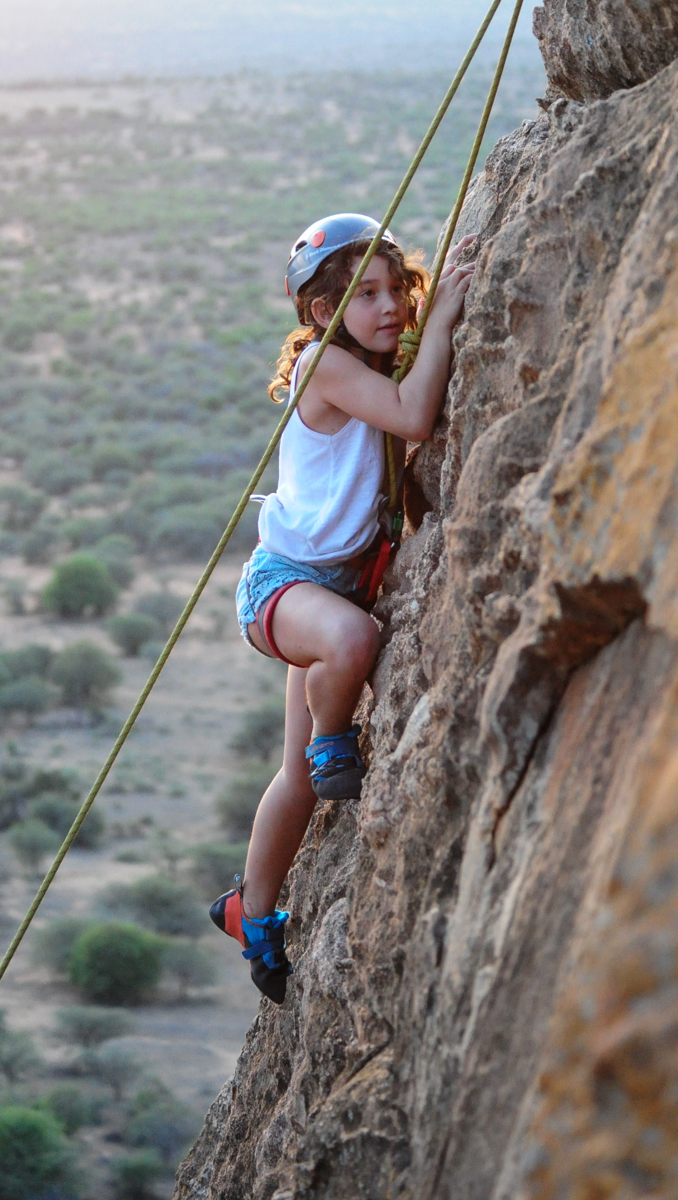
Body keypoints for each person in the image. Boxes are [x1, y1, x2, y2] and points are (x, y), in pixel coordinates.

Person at [211, 213, 476, 1003]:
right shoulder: (326, 366)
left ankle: (249, 913)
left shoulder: (360, 354)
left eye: (397, 288)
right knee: (351, 642)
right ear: (322, 316)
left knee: (290, 778)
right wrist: (448, 319)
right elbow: (413, 415)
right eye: (364, 295)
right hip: (287, 587)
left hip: (328, 587)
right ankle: (336, 742)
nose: (388, 305)